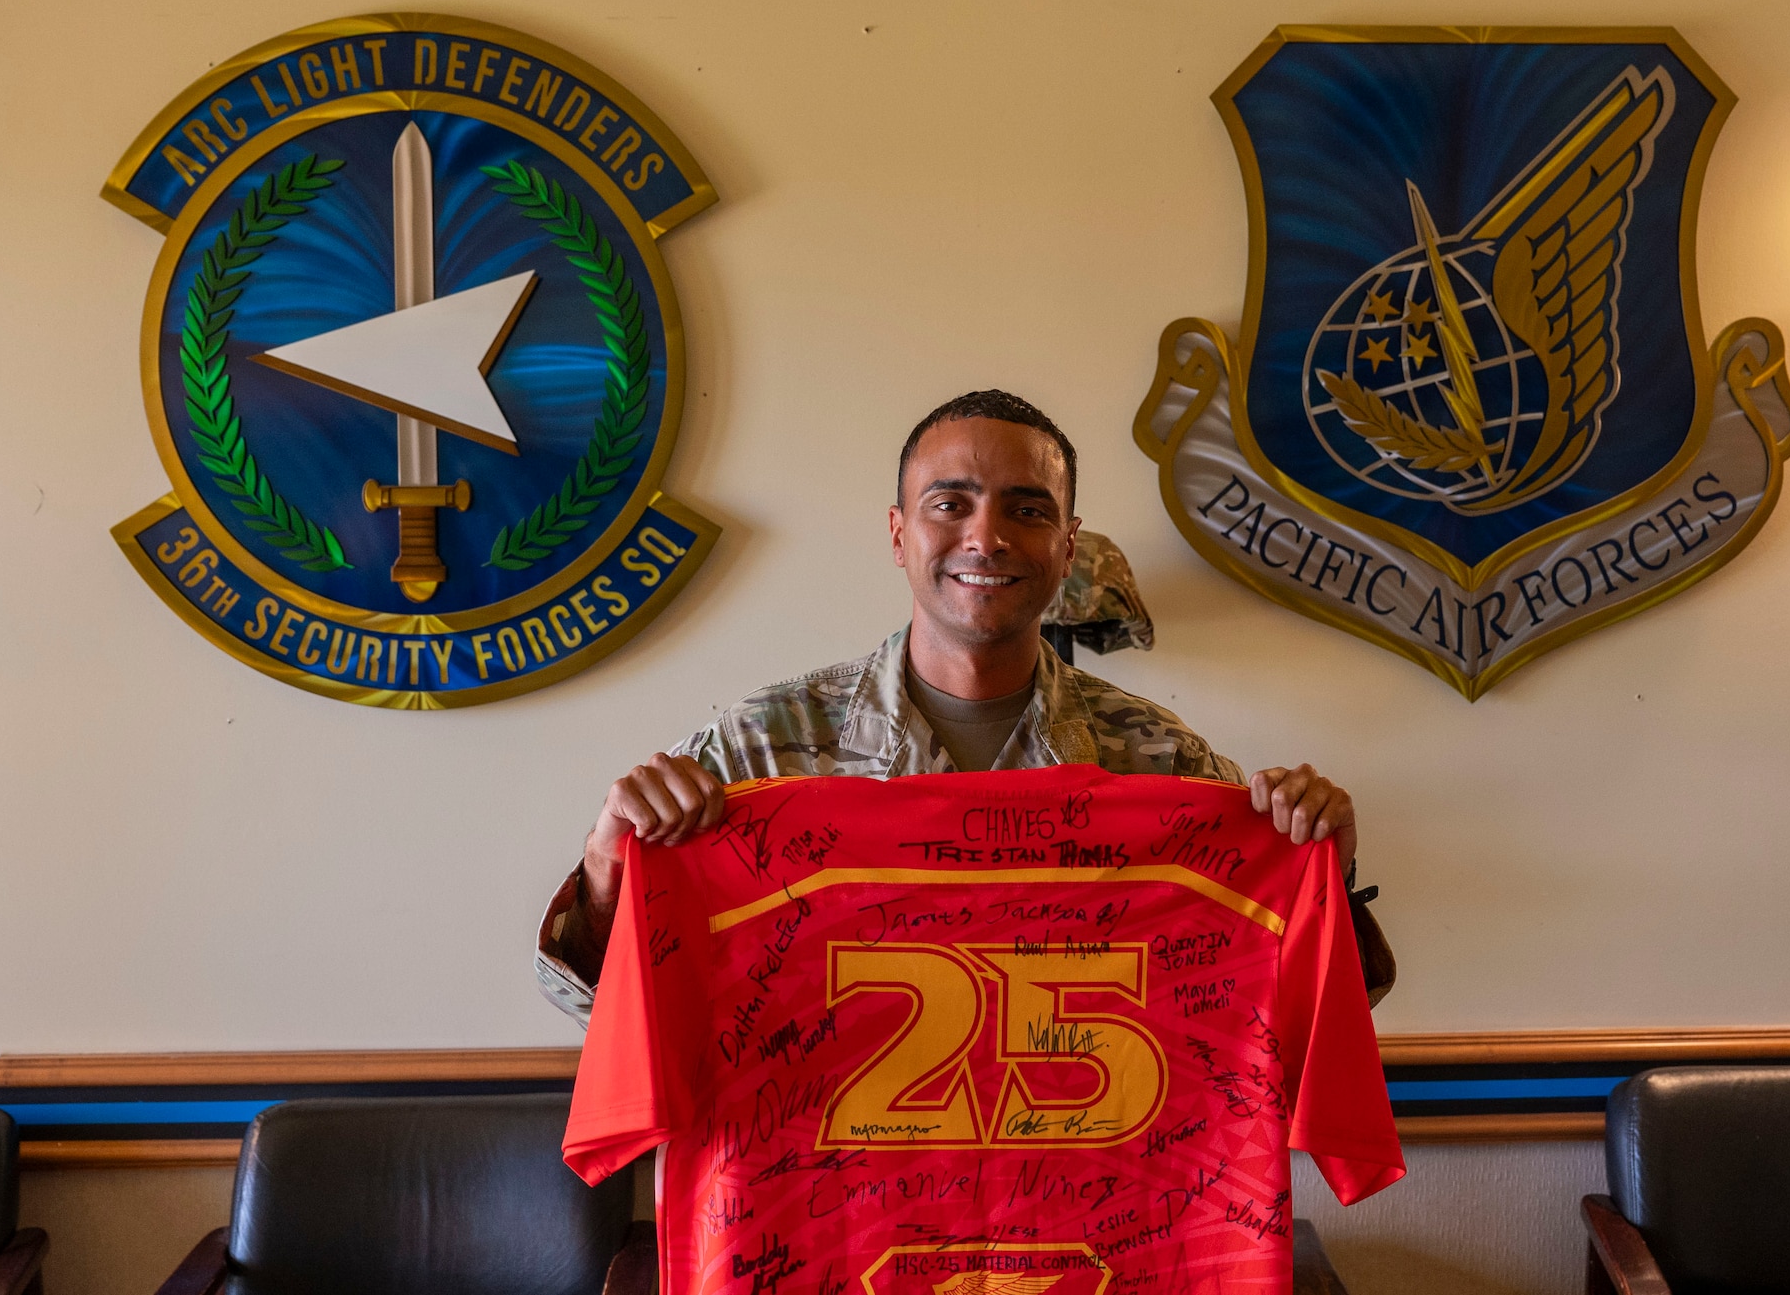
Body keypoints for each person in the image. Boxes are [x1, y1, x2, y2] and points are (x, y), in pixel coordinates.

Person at [537, 389, 1390, 1022]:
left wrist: (1327, 875)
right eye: (951, 503)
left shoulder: (1158, 761)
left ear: (1065, 549)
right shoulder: (759, 749)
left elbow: (1288, 1011)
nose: (988, 536)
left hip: (1081, 1217)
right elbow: (604, 1014)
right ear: (900, 533)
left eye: (1028, 510)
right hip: (826, 1222)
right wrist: (612, 872)